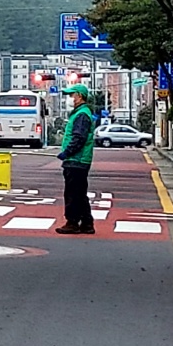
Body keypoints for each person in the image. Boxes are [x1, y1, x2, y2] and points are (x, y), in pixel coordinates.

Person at [55, 83, 97, 235]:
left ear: (80, 96)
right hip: (79, 160)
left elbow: (79, 137)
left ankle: (72, 222)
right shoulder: (81, 113)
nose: (71, 98)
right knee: (79, 193)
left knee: (72, 193)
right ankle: (87, 223)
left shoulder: (81, 114)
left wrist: (67, 152)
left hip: (76, 160)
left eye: (72, 95)